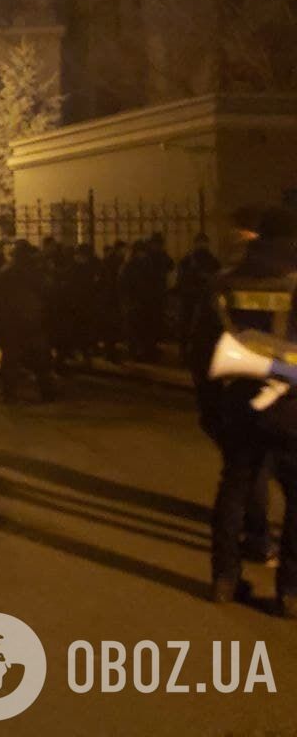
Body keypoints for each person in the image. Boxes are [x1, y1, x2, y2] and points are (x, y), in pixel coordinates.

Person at [188, 207, 297, 612]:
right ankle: (290, 591)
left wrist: (210, 403)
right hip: (291, 406)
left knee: (234, 488)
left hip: (238, 401)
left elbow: (200, 348)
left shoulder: (225, 280)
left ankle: (224, 579)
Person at [0, 241, 55, 404]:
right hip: (32, 319)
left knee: (10, 359)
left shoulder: (5, 271)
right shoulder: (34, 271)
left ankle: (9, 394)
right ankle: (46, 392)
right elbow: (47, 290)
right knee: (41, 358)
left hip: (11, 321)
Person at [177, 233, 221, 362]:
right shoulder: (189, 260)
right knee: (187, 327)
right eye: (201, 242)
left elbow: (216, 277)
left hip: (202, 299)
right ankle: (185, 354)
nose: (203, 245)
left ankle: (194, 355)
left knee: (200, 329)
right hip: (191, 298)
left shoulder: (210, 260)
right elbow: (182, 278)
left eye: (204, 242)